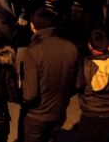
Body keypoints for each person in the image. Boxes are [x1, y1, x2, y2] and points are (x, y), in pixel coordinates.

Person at [20, 8, 79, 142]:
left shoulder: (33, 51)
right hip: (59, 112)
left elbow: (30, 94)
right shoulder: (71, 47)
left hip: (37, 116)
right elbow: (78, 83)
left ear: (32, 26)